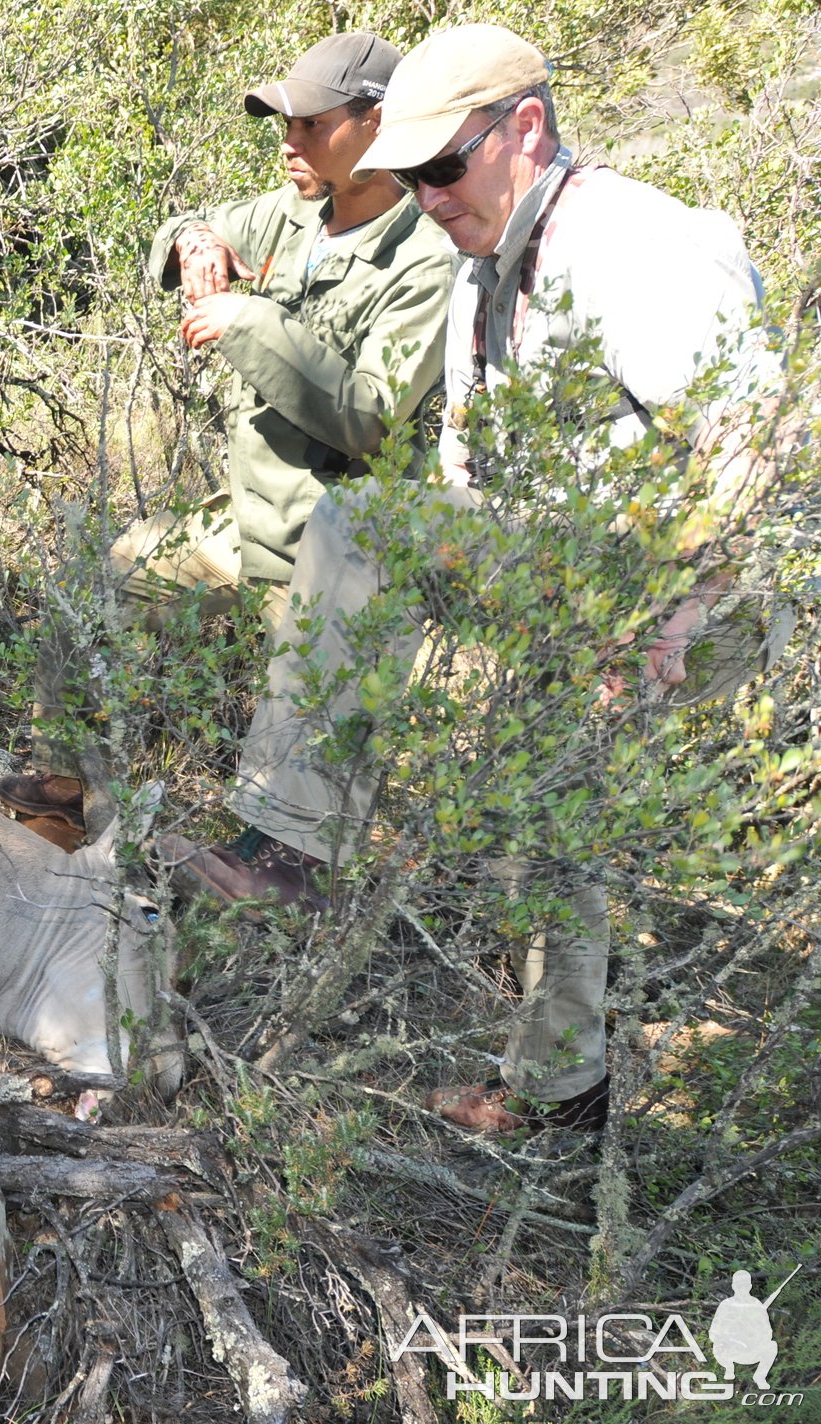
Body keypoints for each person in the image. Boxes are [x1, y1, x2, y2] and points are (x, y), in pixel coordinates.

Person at [155, 24, 784, 1132]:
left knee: (363, 526)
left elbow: (759, 437)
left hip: (690, 589)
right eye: (409, 177)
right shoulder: (483, 251)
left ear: (524, 129)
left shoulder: (632, 245)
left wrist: (669, 617)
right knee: (551, 815)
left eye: (441, 169)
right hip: (576, 568)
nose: (427, 198)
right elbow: (467, 463)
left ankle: (290, 841)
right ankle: (558, 1089)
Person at [0, 31, 453, 826]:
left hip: (332, 556)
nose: (290, 142)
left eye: (311, 123)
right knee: (93, 592)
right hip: (245, 522)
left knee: (303, 790)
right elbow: (195, 223)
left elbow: (371, 418)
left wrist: (247, 320)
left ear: (377, 121)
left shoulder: (426, 256)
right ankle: (66, 793)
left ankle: (315, 921)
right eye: (286, 123)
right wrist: (196, 238)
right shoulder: (298, 210)